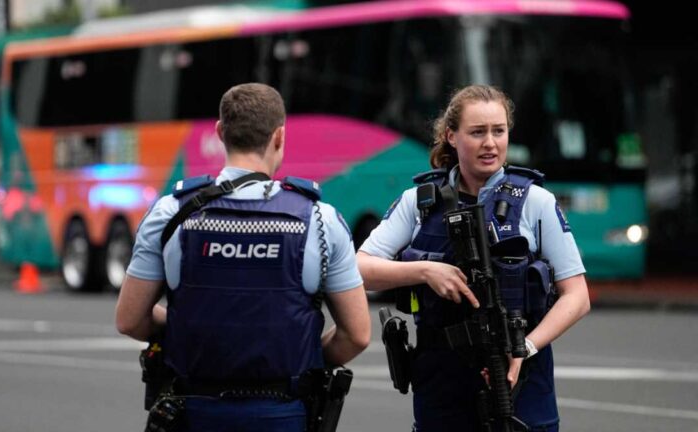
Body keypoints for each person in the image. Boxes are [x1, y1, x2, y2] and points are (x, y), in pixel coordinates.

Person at [116, 83, 371, 432]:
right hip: (283, 412)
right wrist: (301, 358)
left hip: (194, 411)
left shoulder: (170, 213)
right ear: (279, 136)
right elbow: (356, 335)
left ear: (220, 133)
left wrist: (184, 329)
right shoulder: (320, 220)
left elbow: (130, 320)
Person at [357, 85, 590, 431]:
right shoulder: (419, 202)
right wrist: (424, 271)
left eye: (499, 131)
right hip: (441, 383)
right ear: (451, 136)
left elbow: (578, 296)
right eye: (477, 132)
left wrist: (524, 348)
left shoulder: (536, 201)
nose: (490, 143)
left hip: (518, 377)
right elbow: (360, 269)